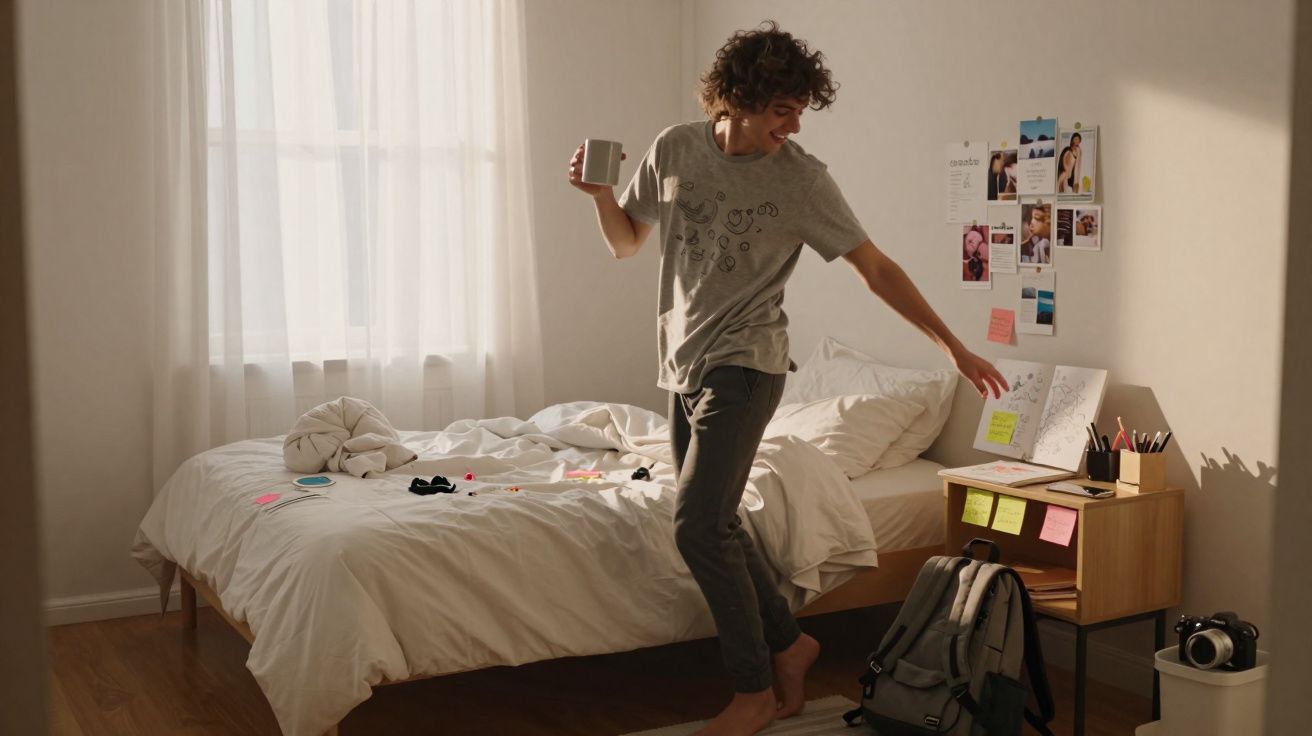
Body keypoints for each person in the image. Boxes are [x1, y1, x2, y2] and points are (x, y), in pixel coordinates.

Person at [567, 21, 1008, 736]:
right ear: (737, 99)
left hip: (749, 364)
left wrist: (952, 345)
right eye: (782, 108)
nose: (795, 124)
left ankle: (754, 692)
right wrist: (597, 196)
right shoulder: (675, 148)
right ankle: (791, 643)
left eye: (801, 109)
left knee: (695, 528)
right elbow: (626, 243)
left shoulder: (802, 179)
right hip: (682, 365)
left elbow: (876, 270)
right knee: (716, 522)